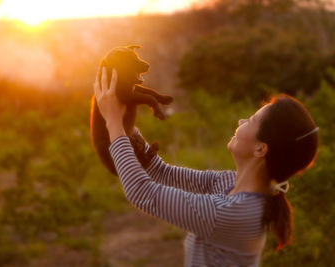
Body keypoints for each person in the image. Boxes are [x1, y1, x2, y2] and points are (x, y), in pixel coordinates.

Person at [93, 66, 319, 266]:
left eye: (250, 121)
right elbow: (160, 172)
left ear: (261, 149)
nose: (240, 122)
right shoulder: (230, 183)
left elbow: (142, 193)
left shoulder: (234, 213)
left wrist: (113, 121)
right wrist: (125, 122)